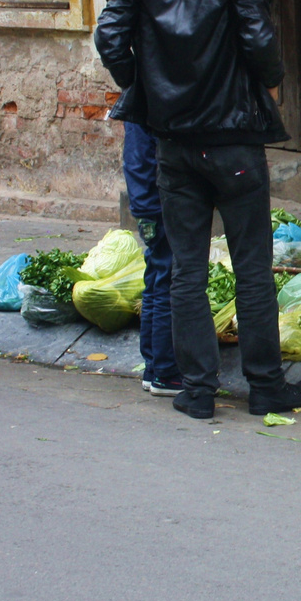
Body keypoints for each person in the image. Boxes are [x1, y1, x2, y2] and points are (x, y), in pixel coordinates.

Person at [94, 0, 301, 421]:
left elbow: (110, 39)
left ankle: (197, 391)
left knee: (187, 269)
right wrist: (271, 80)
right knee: (252, 270)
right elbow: (261, 45)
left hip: (173, 147)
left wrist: (143, 87)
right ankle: (265, 387)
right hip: (235, 145)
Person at [123, 122, 179, 396]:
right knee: (166, 279)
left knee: (156, 277)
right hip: (156, 201)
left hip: (144, 201)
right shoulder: (148, 98)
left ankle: (153, 368)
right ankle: (166, 372)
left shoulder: (134, 101)